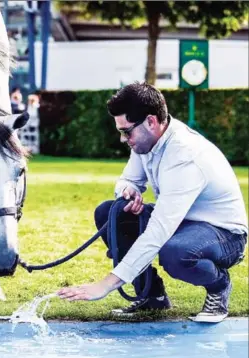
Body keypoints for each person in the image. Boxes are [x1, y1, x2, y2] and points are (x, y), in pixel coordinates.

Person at [57, 82, 248, 323]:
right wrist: (129, 191)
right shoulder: (145, 142)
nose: (123, 139)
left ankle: (219, 284)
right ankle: (152, 297)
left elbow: (158, 231)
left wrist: (105, 285)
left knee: (176, 253)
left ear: (151, 121)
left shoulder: (185, 155)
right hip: (182, 222)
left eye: (126, 131)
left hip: (223, 234)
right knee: (109, 212)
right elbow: (128, 179)